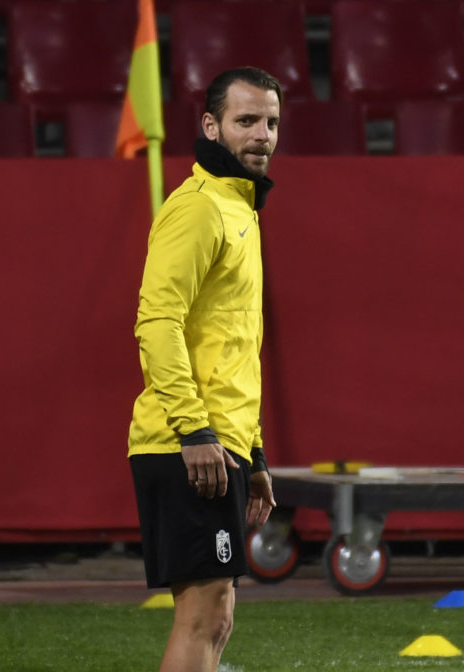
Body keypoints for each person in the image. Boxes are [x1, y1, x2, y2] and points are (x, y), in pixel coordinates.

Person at [128, 66, 280, 672]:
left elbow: (233, 348)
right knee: (203, 618)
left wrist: (257, 453)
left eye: (270, 122)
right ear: (211, 126)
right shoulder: (197, 209)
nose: (262, 134)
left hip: (223, 445)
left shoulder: (239, 208)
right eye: (246, 121)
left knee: (216, 620)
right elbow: (156, 322)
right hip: (188, 444)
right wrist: (194, 431)